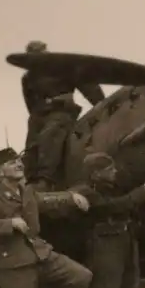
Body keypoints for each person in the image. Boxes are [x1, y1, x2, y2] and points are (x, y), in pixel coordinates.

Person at [0, 148, 92, 288]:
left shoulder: (27, 192)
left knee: (81, 277)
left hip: (40, 255)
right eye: (12, 163)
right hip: (14, 265)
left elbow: (47, 200)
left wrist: (71, 196)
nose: (19, 164)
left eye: (19, 161)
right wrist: (9, 223)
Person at [72, 152, 145, 288]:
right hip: (105, 245)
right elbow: (115, 206)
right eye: (110, 169)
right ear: (96, 174)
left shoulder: (113, 187)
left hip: (125, 240)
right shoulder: (84, 191)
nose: (115, 171)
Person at [21, 41, 106, 191]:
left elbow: (87, 85)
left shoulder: (64, 69)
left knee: (49, 135)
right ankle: (31, 179)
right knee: (31, 145)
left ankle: (45, 179)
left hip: (61, 111)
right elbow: (29, 101)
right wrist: (36, 116)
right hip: (39, 113)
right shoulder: (28, 77)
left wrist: (100, 104)